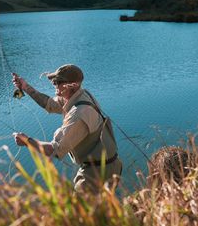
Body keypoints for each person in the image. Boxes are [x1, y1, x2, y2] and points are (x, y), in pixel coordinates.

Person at [12, 64, 122, 193]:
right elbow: (49, 104)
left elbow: (54, 150)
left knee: (80, 212)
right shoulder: (80, 95)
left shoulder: (79, 114)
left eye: (58, 82)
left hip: (97, 174)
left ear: (72, 85)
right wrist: (25, 87)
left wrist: (27, 141)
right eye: (54, 81)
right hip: (108, 167)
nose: (54, 84)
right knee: (102, 212)